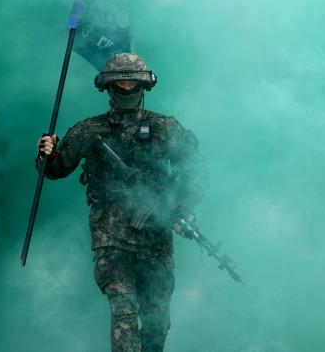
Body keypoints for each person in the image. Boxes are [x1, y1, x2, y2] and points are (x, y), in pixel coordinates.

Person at [36, 53, 205, 352]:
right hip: (112, 241)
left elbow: (197, 175)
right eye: (120, 84)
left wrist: (172, 208)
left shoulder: (165, 129)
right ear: (109, 88)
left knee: (157, 322)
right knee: (124, 315)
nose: (126, 89)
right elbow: (56, 170)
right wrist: (46, 154)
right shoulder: (90, 131)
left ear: (144, 87)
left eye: (132, 83)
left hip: (156, 240)